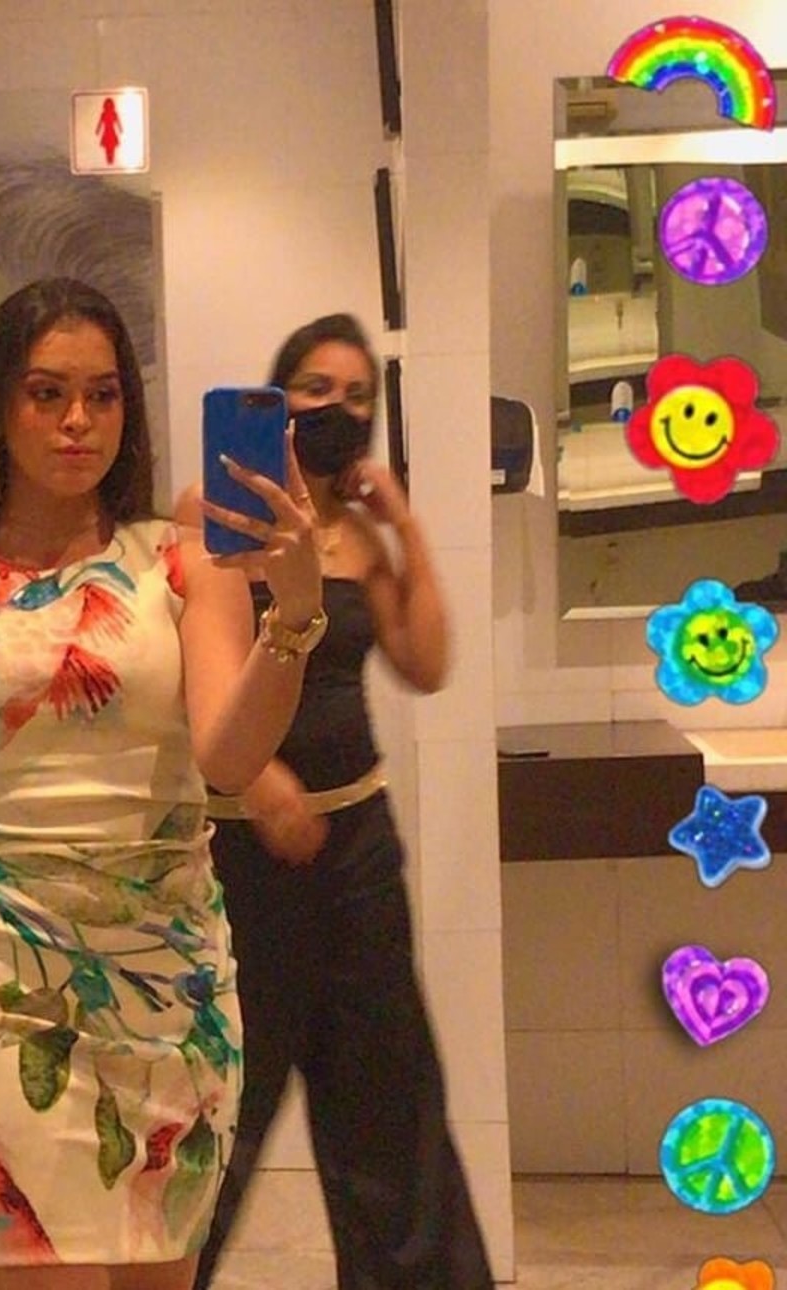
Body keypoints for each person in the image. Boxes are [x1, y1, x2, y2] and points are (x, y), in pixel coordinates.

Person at [0, 276, 329, 1290]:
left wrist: (292, 617)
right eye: (47, 393)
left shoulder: (186, 568)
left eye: (103, 395)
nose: (78, 420)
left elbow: (229, 759)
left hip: (174, 999)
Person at [177, 314, 495, 1289]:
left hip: (357, 846)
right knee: (221, 1105)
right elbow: (195, 673)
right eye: (317, 388)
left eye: (358, 395)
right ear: (277, 398)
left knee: (388, 1102)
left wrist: (403, 526)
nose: (338, 409)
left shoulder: (358, 536)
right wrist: (259, 781)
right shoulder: (215, 515)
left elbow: (427, 663)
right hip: (239, 855)